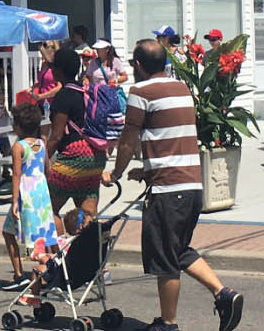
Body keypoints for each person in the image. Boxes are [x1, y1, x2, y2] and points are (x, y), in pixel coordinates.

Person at [103, 40, 243, 331]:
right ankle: (224, 294)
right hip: (190, 185)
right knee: (178, 250)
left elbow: (129, 139)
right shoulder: (181, 89)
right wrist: (148, 171)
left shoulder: (140, 92)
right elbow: (172, 138)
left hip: (168, 191)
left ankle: (168, 324)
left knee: (165, 258)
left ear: (139, 66)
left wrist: (115, 173)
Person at [45, 47, 106, 221]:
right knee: (87, 216)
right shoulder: (87, 90)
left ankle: (57, 248)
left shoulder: (63, 96)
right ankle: (89, 247)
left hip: (74, 158)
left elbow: (56, 137)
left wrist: (40, 161)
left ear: (57, 70)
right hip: (96, 157)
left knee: (49, 211)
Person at [0, 102, 49, 291]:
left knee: (9, 232)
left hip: (25, 193)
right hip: (41, 191)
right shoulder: (41, 143)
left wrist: (14, 201)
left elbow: (17, 174)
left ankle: (19, 274)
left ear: (17, 126)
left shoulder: (18, 147)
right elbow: (47, 168)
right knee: (40, 233)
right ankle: (46, 270)